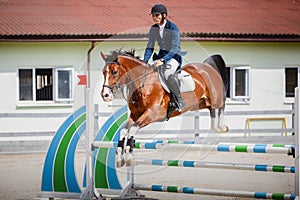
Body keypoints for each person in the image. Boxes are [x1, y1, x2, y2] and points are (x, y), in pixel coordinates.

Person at [143, 4, 185, 112]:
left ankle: (180, 100)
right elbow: (150, 46)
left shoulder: (173, 28)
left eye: (157, 15)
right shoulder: (153, 29)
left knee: (168, 75)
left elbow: (175, 48)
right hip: (160, 56)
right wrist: (145, 61)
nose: (154, 18)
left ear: (164, 15)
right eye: (153, 16)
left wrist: (163, 60)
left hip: (173, 56)